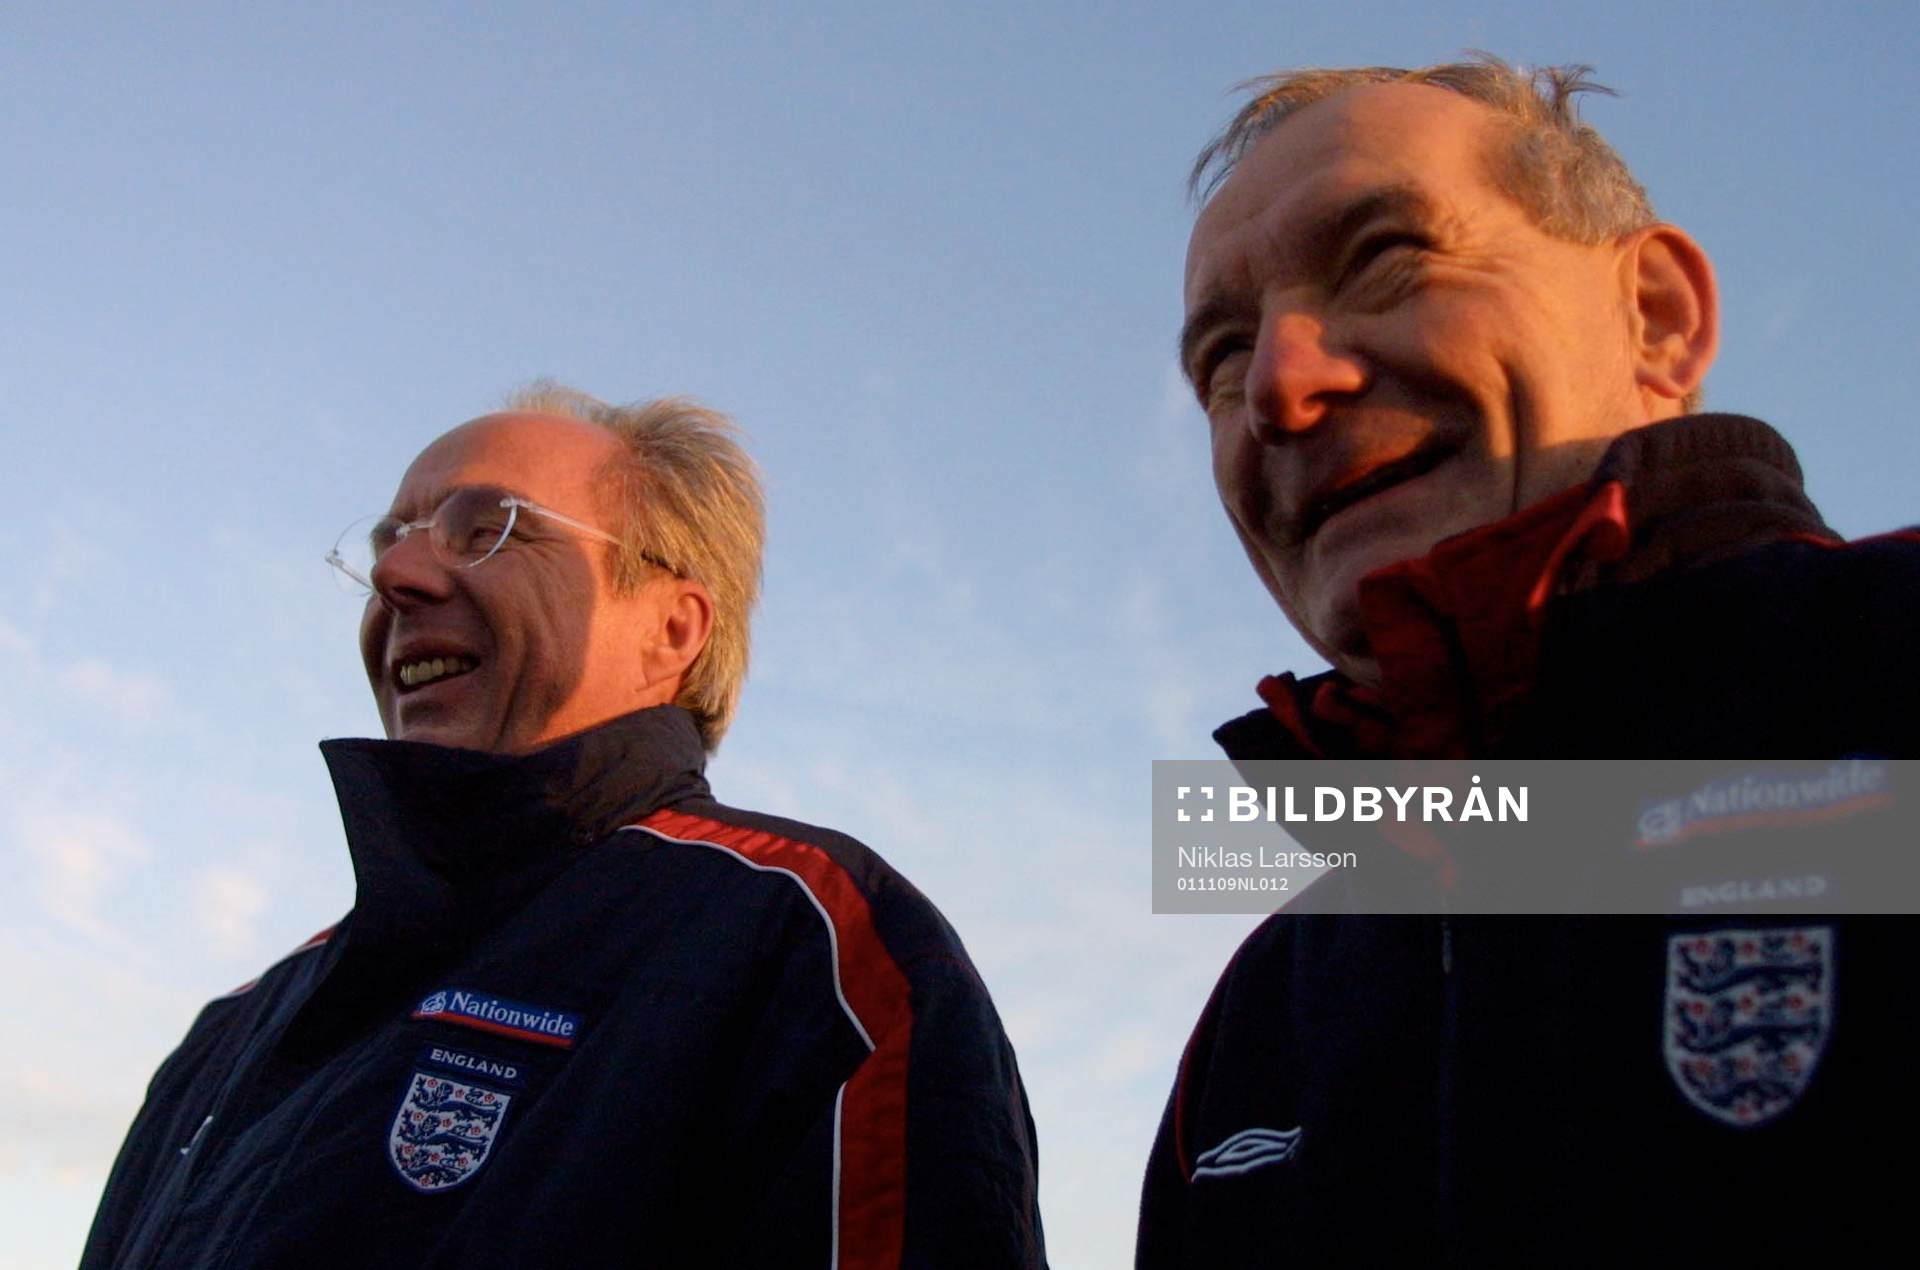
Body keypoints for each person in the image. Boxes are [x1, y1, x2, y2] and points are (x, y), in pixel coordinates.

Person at [1139, 57, 1919, 1265]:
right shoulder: (1263, 1016)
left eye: (1388, 260)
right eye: (1223, 360)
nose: (1281, 389)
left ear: (1656, 316)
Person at [82, 384, 1046, 1269]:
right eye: (391, 541)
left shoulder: (806, 945)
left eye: (486, 529)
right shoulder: (238, 1025)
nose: (399, 576)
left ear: (671, 628)